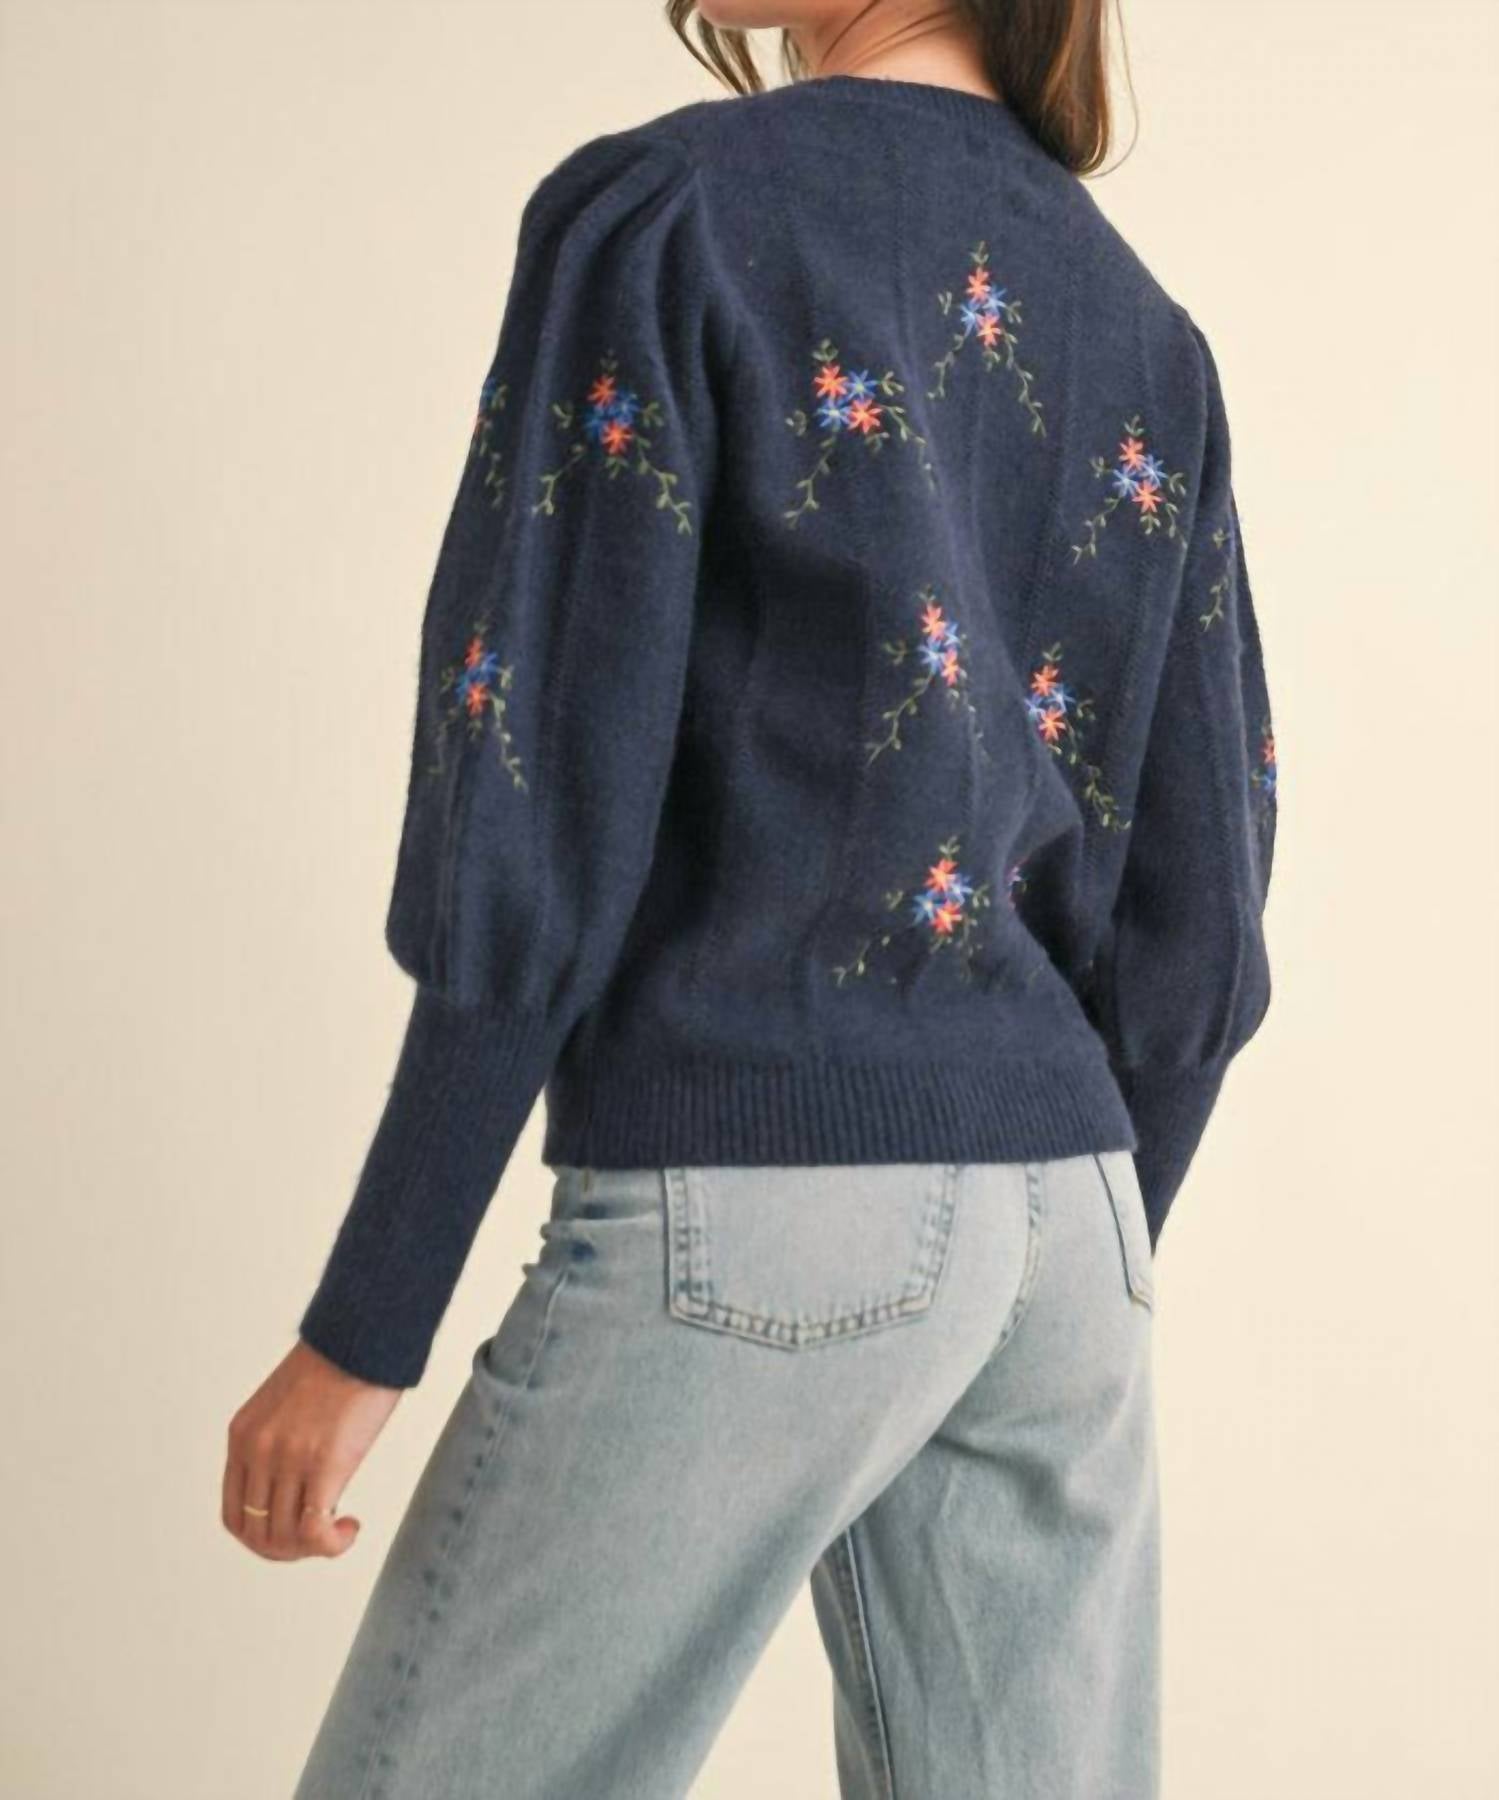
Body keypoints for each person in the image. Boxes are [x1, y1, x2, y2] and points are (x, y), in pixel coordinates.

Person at [228, 3, 1279, 1794]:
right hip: (1073, 1237)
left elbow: (540, 769)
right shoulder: (1146, 331)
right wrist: (1034, 1267)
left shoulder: (674, 217)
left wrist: (367, 1321)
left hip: (772, 1165)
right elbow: (1204, 887)